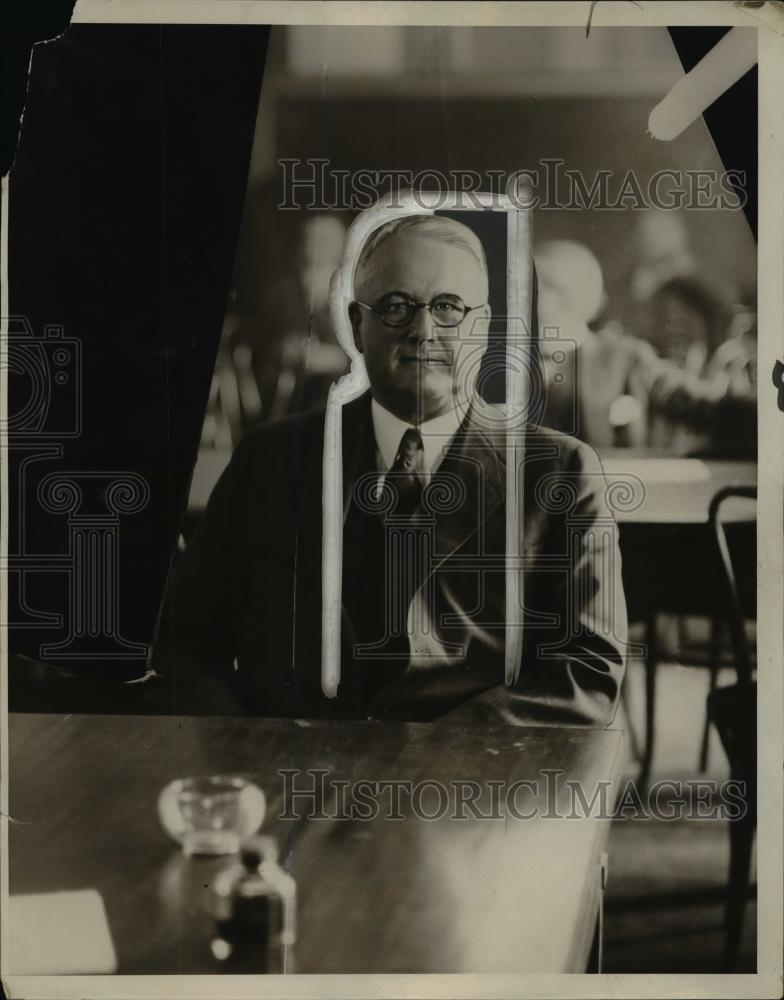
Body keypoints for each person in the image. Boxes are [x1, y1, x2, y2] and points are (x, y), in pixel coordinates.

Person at [151, 214, 628, 727]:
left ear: (483, 326)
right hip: (293, 781)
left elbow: (588, 672)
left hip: (474, 789)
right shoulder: (268, 459)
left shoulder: (559, 472)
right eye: (397, 306)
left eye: (448, 307)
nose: (423, 331)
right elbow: (185, 649)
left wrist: (420, 762)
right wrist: (248, 749)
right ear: (358, 325)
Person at [534, 239, 755, 454]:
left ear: (569, 296)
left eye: (535, 288)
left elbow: (702, 405)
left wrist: (767, 420)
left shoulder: (626, 358)